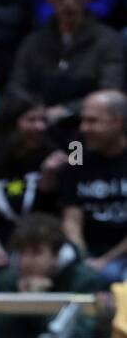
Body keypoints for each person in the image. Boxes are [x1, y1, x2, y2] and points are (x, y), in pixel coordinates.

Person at [7, 0, 123, 135]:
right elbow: (16, 86)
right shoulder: (32, 42)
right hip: (39, 127)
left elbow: (111, 92)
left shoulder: (109, 41)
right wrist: (36, 110)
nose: (68, 2)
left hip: (85, 129)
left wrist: (66, 110)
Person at [0, 91, 64, 260]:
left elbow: (53, 215)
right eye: (32, 120)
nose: (40, 127)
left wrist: (47, 180)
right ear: (12, 124)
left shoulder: (54, 158)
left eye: (43, 120)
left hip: (42, 244)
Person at [59, 89, 127, 281]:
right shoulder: (77, 149)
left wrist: (105, 260)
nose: (84, 128)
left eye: (93, 121)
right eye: (83, 120)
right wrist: (83, 256)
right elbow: (71, 215)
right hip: (86, 249)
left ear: (117, 122)